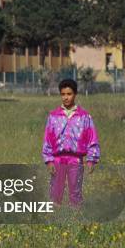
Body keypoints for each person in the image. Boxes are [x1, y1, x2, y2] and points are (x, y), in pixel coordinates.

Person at [42, 79, 100, 207]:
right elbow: (48, 139)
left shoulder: (84, 116)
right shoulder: (53, 116)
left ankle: (76, 219)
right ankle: (55, 220)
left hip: (76, 160)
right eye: (63, 94)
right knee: (55, 193)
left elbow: (92, 139)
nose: (66, 97)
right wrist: (49, 160)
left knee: (75, 193)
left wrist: (91, 160)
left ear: (75, 94)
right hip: (58, 160)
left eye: (69, 94)